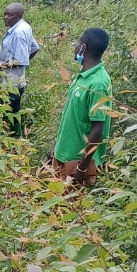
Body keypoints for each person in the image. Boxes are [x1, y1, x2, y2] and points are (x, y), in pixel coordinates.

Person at [51, 27, 112, 187]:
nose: (75, 46)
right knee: (55, 207)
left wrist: (82, 167)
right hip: (64, 155)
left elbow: (97, 130)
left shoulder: (98, 83)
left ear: (83, 47)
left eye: (78, 42)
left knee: (69, 209)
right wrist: (57, 149)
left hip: (76, 162)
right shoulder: (84, 75)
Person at [0, 2, 40, 137]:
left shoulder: (19, 32)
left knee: (9, 115)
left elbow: (20, 60)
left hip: (11, 83)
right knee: (13, 112)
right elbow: (35, 48)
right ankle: (15, 143)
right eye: (5, 14)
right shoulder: (23, 27)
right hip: (16, 80)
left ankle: (13, 143)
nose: (5, 17)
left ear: (19, 16)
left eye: (9, 15)